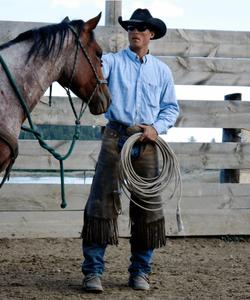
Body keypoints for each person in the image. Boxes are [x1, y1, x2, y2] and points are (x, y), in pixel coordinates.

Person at [81, 8, 179, 293]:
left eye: (141, 28)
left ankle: (140, 272)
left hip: (146, 141)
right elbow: (95, 73)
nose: (135, 31)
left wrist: (156, 127)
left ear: (151, 34)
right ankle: (93, 272)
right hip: (115, 137)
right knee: (101, 203)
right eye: (131, 27)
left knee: (147, 208)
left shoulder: (161, 71)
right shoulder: (111, 62)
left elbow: (170, 108)